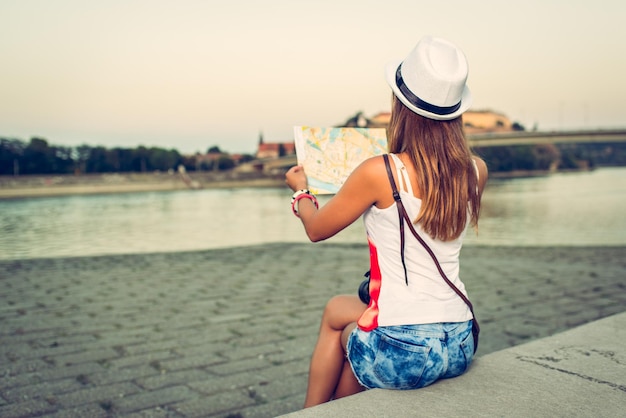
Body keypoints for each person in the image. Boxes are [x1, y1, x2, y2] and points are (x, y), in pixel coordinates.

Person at [285, 35, 488, 408]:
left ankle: (312, 413)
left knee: (347, 333)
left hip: (405, 349)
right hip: (459, 342)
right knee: (340, 313)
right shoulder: (476, 171)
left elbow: (316, 229)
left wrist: (301, 192)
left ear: (401, 107)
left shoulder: (379, 172)